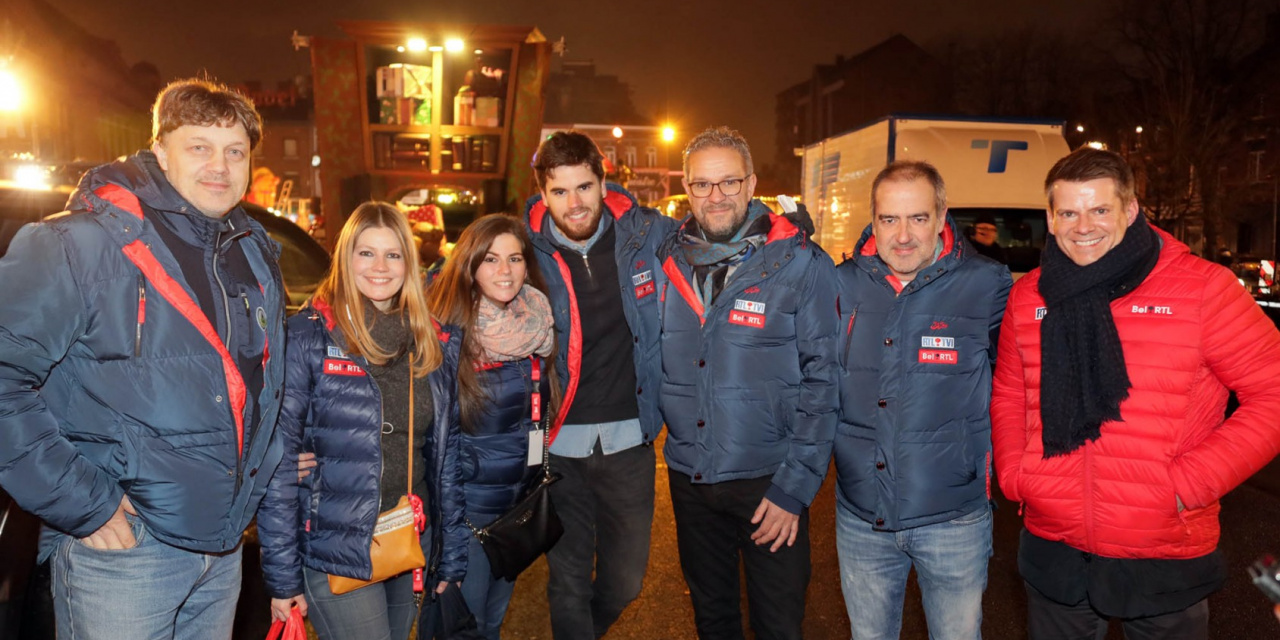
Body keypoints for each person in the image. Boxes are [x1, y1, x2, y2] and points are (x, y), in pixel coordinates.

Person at [0, 78, 285, 640]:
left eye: (235, 152)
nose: (220, 167)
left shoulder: (252, 252)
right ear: (159, 151)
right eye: (199, 147)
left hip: (223, 549)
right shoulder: (78, 244)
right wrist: (86, 504)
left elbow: (257, 386)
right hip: (127, 550)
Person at [991, 147, 1280, 639]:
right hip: (1054, 545)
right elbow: (1010, 392)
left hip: (1162, 546)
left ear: (1130, 210)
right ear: (1051, 218)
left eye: (1100, 209)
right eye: (1069, 212)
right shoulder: (1028, 295)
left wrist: (1188, 483)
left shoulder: (1203, 289)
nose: (1084, 226)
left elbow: (1273, 395)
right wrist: (1017, 474)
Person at [657, 126, 839, 640]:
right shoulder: (669, 260)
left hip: (770, 484)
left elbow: (824, 382)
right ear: (687, 188)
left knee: (777, 626)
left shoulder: (800, 264)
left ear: (752, 183)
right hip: (693, 481)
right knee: (713, 623)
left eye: (729, 182)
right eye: (702, 185)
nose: (715, 196)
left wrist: (794, 490)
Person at [257, 202, 467, 639]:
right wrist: (283, 576)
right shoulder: (309, 337)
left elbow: (447, 459)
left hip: (410, 537)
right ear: (344, 257)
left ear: (409, 263)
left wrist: (451, 554)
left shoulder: (432, 341)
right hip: (336, 545)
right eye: (366, 253)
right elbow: (278, 466)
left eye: (392, 254)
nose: (380, 267)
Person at [833, 161, 1011, 639]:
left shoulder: (987, 285)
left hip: (954, 519)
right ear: (873, 219)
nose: (904, 235)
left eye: (918, 218)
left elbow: (1018, 385)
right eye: (889, 219)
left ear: (941, 215)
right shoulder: (841, 285)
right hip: (862, 516)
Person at [522, 131, 676, 639]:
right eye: (560, 191)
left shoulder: (645, 235)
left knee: (627, 580)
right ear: (543, 194)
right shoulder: (523, 250)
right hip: (557, 447)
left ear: (603, 180)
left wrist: (786, 227)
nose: (574, 203)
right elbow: (448, 283)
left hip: (629, 443)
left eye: (584, 187)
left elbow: (719, 238)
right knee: (567, 582)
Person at [425, 214, 559, 638]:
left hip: (513, 510)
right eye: (491, 259)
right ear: (469, 265)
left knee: (492, 625)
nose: (505, 271)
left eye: (515, 258)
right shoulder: (447, 334)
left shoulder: (535, 319)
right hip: (467, 517)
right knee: (467, 627)